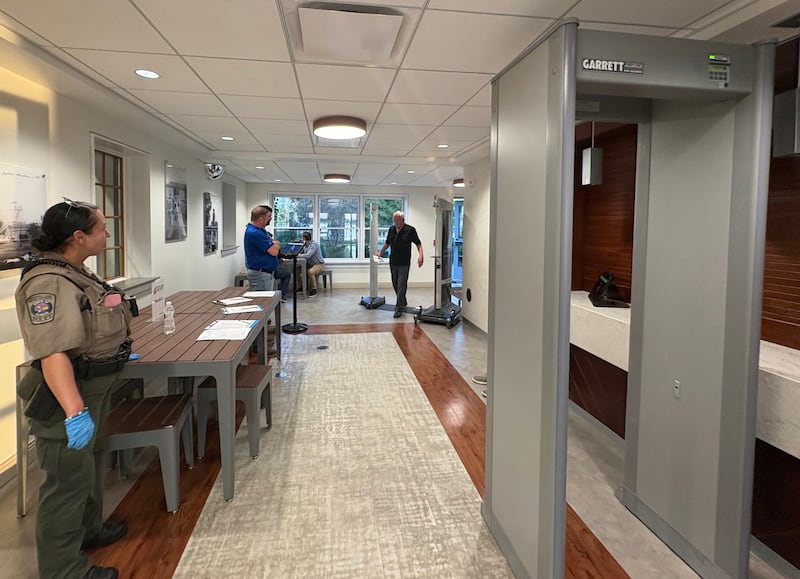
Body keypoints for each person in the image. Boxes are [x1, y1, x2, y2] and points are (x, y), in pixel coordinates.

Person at [15, 198, 136, 579]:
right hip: (67, 399)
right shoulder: (48, 282)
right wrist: (74, 411)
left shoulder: (76, 272)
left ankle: (90, 529)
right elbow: (53, 353)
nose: (108, 234)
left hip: (93, 389)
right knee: (66, 484)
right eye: (102, 228)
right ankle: (64, 570)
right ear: (79, 236)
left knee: (90, 467)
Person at [376, 211, 424, 318]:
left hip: (404, 262)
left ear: (402, 220)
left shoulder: (410, 230)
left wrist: (421, 256)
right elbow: (387, 243)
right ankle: (403, 300)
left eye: (397, 220)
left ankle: (399, 307)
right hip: (393, 261)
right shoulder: (392, 229)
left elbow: (418, 244)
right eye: (394, 220)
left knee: (401, 284)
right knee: (395, 282)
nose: (396, 222)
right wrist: (380, 252)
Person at [297, 231, 325, 296]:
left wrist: (299, 255)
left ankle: (314, 289)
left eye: (303, 238)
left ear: (304, 238)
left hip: (319, 264)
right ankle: (302, 287)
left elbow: (308, 255)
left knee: (310, 272)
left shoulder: (314, 245)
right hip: (310, 264)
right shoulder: (305, 245)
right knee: (297, 270)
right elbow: (302, 252)